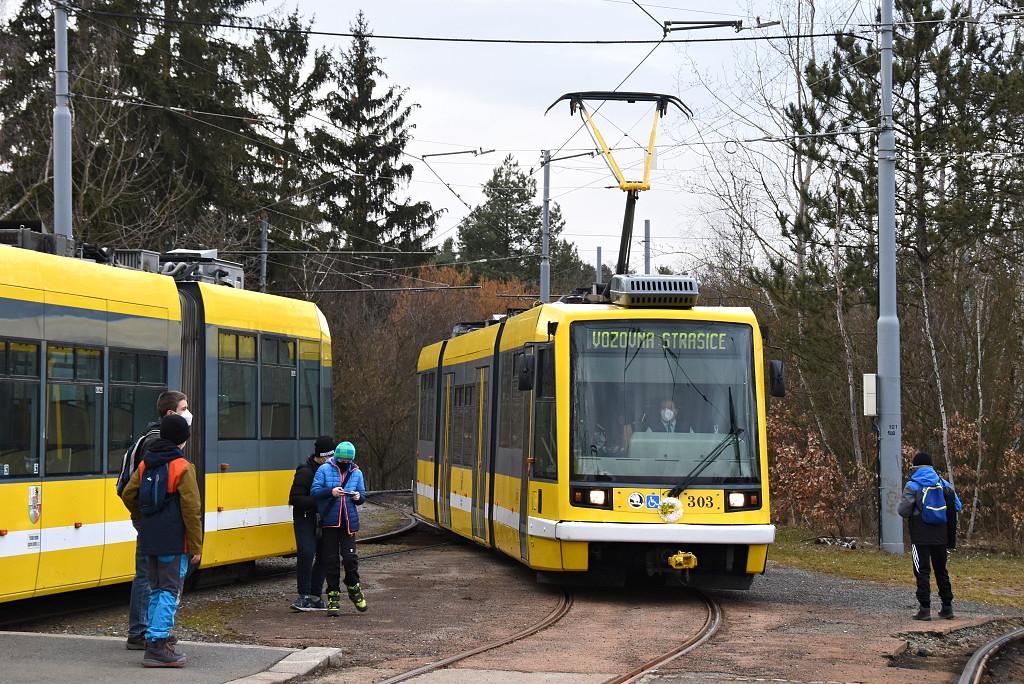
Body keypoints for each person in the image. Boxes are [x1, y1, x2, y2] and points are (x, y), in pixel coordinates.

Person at [121, 414, 203, 668]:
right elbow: (191, 509)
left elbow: (128, 494)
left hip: (150, 537)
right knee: (170, 590)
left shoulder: (147, 462)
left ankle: (154, 634)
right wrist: (196, 545)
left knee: (156, 588)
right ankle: (158, 645)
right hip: (174, 539)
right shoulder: (183, 467)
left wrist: (141, 518)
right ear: (183, 440)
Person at [897, 451, 962, 621]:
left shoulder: (913, 485)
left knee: (922, 570)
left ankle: (924, 609)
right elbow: (957, 505)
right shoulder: (943, 483)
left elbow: (902, 511)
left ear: (915, 467)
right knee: (941, 570)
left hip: (920, 535)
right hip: (941, 534)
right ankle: (947, 607)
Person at [311, 441, 368, 616]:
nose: (344, 463)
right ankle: (333, 597)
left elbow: (363, 495)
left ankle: (353, 587)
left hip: (348, 522)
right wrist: (331, 491)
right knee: (331, 562)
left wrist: (358, 497)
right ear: (336, 457)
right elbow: (314, 491)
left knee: (350, 559)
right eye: (341, 460)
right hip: (330, 522)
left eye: (347, 461)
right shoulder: (324, 470)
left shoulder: (356, 472)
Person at [287, 435, 334, 612]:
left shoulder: (332, 471)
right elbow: (295, 498)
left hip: (324, 519)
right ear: (321, 456)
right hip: (305, 518)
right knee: (307, 553)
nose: (331, 460)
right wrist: (320, 500)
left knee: (324, 556)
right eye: (329, 457)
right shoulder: (305, 472)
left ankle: (315, 595)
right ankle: (303, 595)